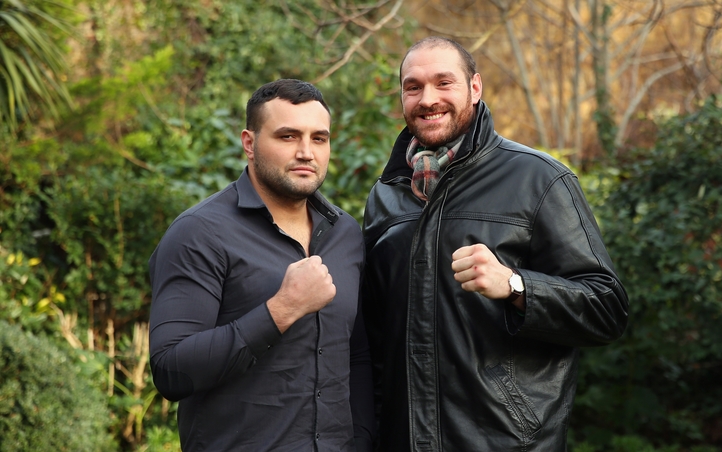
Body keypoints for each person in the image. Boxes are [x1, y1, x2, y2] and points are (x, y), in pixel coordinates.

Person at [361, 37, 629, 451]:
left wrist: (517, 286)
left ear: (475, 88)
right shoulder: (385, 195)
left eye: (443, 83)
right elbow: (376, 338)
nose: (427, 99)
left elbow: (606, 308)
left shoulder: (539, 179)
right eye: (413, 87)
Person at [149, 79, 375, 451]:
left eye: (319, 138)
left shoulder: (346, 234)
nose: (307, 152)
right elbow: (171, 369)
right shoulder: (199, 233)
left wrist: (361, 439)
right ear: (249, 143)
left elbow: (358, 354)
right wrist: (281, 309)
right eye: (288, 137)